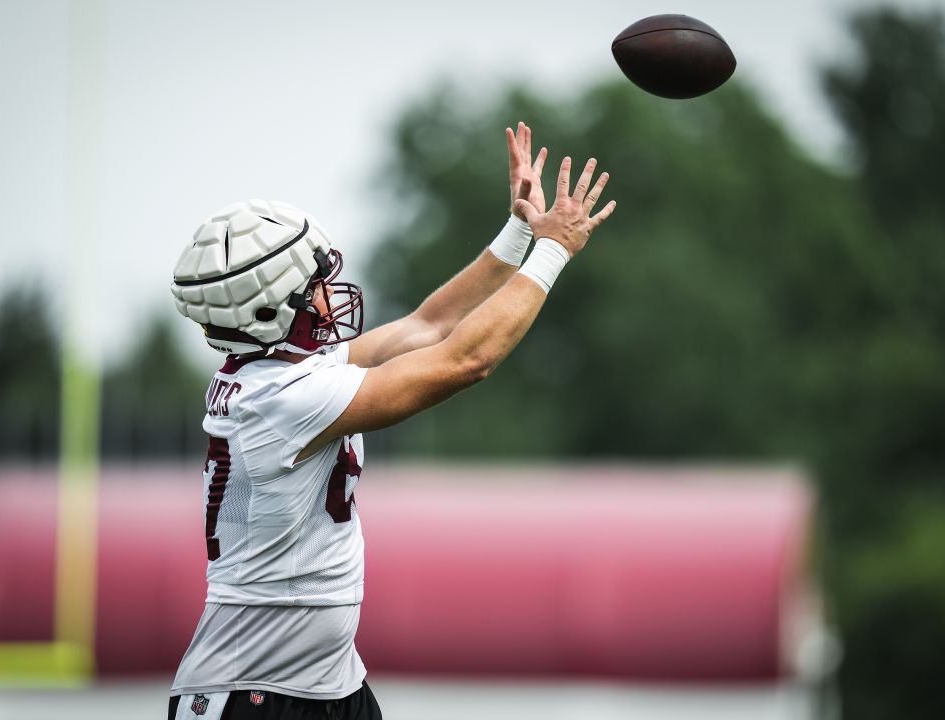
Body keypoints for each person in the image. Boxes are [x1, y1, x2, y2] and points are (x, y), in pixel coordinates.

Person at [165, 122, 616, 720]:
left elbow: (426, 326)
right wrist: (554, 249)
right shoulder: (280, 400)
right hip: (255, 694)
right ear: (268, 311)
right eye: (313, 290)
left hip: (328, 683)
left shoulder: (275, 371)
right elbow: (465, 360)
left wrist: (519, 233)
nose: (330, 297)